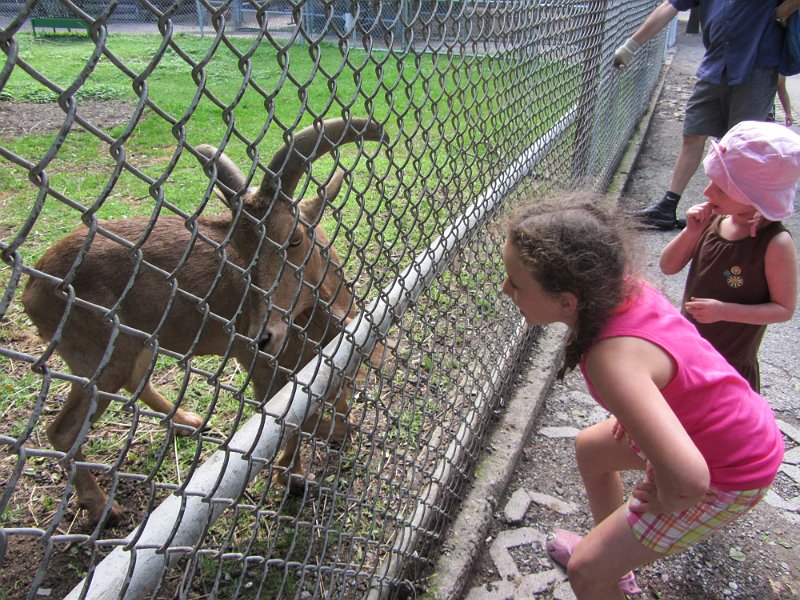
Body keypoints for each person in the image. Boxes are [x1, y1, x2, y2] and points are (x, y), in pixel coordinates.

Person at [502, 198, 784, 599]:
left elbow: (690, 481)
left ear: (566, 302)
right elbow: (674, 364)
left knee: (585, 571)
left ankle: (604, 573)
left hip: (731, 470)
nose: (505, 288)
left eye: (516, 283)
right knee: (591, 449)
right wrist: (640, 411)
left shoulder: (610, 359)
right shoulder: (622, 290)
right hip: (736, 427)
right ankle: (616, 567)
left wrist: (668, 498)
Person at [613, 0, 798, 230]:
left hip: (756, 67)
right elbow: (670, 6)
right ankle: (667, 207)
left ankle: (728, 218)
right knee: (693, 132)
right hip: (715, 64)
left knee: (740, 147)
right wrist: (631, 46)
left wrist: (780, 13)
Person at [659, 121, 799, 392]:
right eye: (712, 182)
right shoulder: (716, 219)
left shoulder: (775, 244)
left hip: (728, 365)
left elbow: (784, 309)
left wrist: (724, 311)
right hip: (688, 350)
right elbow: (668, 266)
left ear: (756, 196)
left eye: (722, 189)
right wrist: (691, 232)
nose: (707, 192)